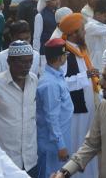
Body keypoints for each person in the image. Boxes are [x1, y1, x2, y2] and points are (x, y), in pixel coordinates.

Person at [0, 41, 38, 177]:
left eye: (30, 62)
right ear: (9, 61)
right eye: (21, 62)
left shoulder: (34, 80)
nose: (27, 66)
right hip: (6, 160)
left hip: (30, 159)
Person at [59, 13, 99, 178]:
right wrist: (86, 76)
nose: (85, 32)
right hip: (77, 112)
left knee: (90, 144)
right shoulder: (64, 53)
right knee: (80, 145)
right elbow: (62, 84)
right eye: (82, 29)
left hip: (89, 108)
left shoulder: (80, 49)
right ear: (74, 33)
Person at [37, 38, 74, 178]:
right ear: (60, 57)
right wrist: (61, 146)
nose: (66, 58)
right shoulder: (50, 83)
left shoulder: (56, 75)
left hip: (60, 137)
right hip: (52, 144)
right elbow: (52, 117)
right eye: (65, 55)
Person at [33, 0, 60, 73]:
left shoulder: (58, 12)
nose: (56, 1)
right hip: (44, 52)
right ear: (47, 2)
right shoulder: (40, 16)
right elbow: (36, 37)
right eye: (53, 0)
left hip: (57, 50)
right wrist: (36, 55)